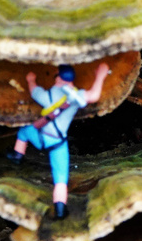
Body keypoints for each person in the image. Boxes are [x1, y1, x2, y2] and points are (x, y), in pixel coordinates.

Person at [7, 62, 113, 218]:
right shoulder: (76, 97)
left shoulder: (50, 95)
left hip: (41, 139)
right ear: (71, 80)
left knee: (25, 131)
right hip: (59, 144)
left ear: (58, 78)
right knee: (61, 179)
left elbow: (35, 93)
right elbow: (94, 96)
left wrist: (31, 80)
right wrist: (100, 75)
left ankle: (18, 155)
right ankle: (60, 209)